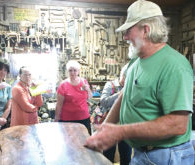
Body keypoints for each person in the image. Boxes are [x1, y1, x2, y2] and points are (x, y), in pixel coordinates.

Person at [85, 0, 194, 164]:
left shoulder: (174, 65)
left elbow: (178, 124)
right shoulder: (136, 63)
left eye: (129, 31)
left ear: (146, 30)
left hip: (167, 156)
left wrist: (121, 132)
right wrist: (104, 130)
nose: (125, 37)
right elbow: (124, 96)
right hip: (142, 154)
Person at [100, 64, 131, 165]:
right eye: (126, 77)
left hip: (125, 126)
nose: (128, 80)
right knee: (108, 156)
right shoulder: (110, 85)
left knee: (126, 156)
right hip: (110, 125)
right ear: (122, 75)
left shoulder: (132, 87)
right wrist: (120, 93)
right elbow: (103, 102)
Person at [55, 60, 93, 134]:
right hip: (67, 119)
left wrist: (88, 90)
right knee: (69, 142)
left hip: (83, 118)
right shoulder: (63, 85)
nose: (72, 72)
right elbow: (59, 104)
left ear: (78, 71)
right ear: (67, 72)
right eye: (70, 70)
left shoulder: (84, 82)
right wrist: (56, 118)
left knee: (85, 141)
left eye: (75, 70)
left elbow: (90, 97)